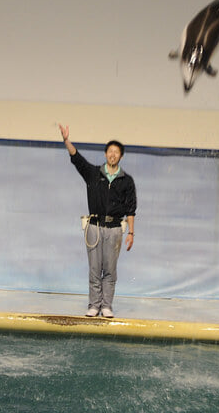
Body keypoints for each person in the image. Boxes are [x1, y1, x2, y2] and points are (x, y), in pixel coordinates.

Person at [58, 123, 136, 319]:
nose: (113, 155)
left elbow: (131, 210)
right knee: (94, 268)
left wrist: (131, 233)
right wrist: (67, 140)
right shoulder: (94, 174)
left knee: (110, 269)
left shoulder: (127, 181)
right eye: (110, 151)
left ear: (121, 156)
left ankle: (107, 305)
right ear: (105, 154)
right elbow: (77, 159)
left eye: (116, 152)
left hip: (115, 229)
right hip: (94, 227)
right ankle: (94, 305)